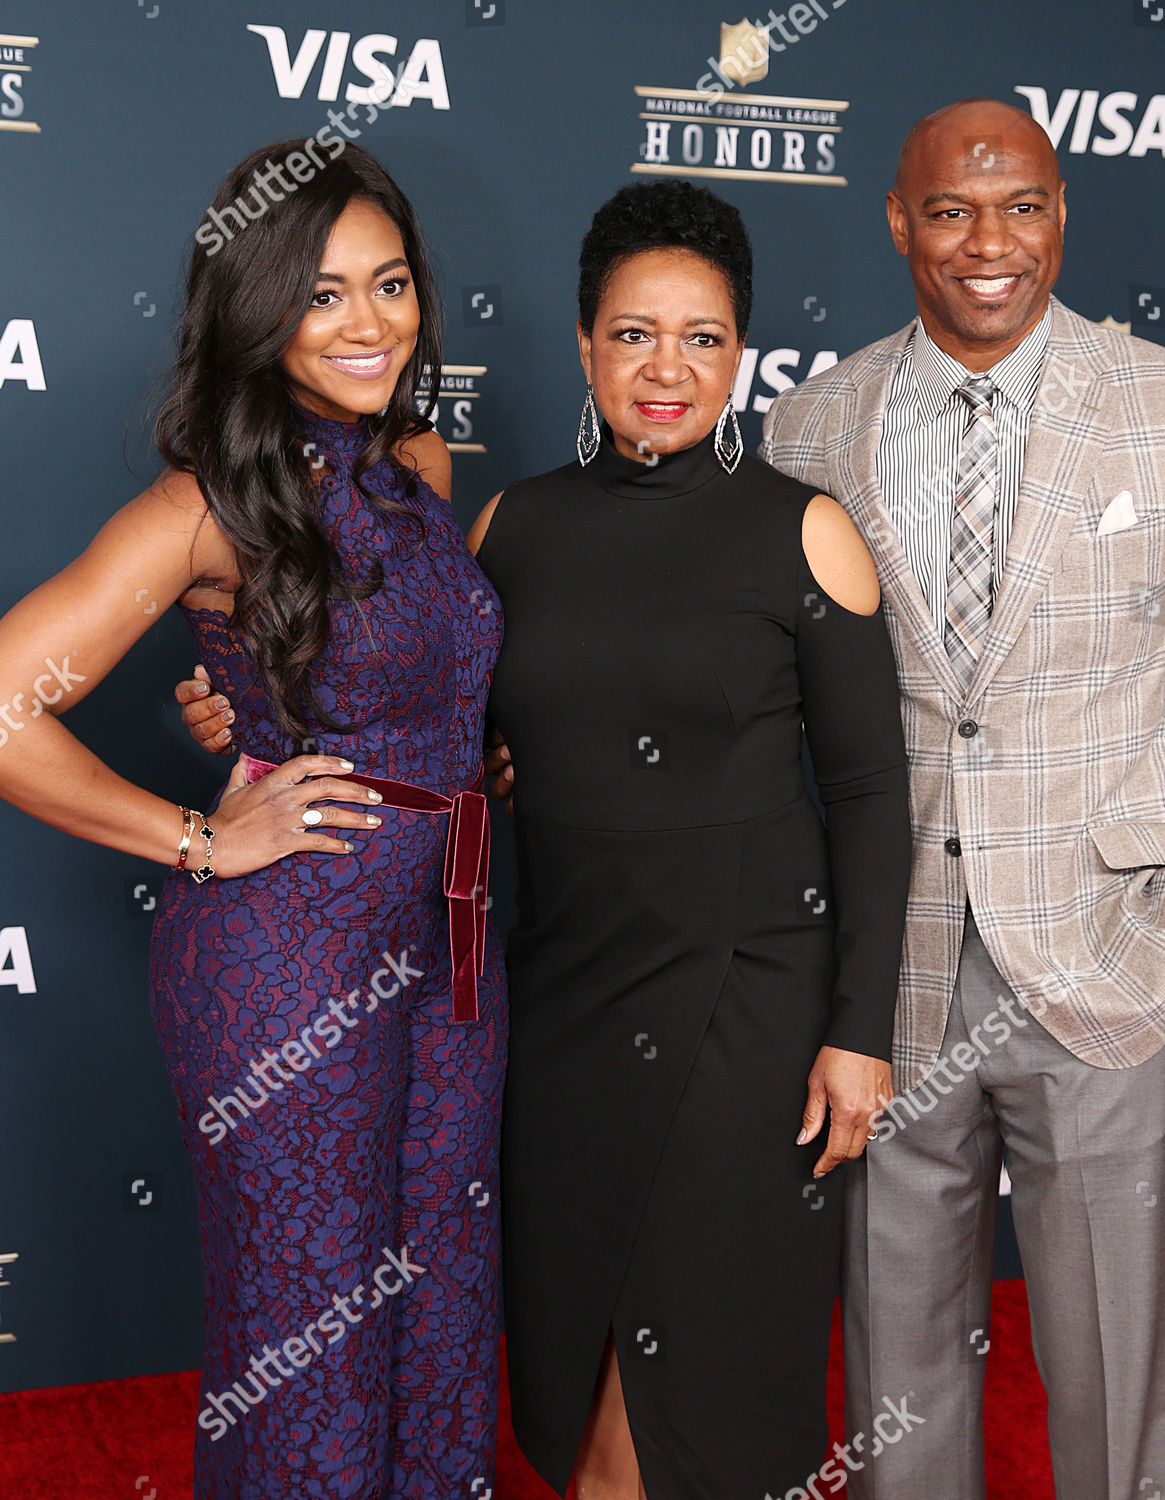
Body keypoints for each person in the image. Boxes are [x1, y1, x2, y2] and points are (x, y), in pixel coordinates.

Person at [182, 178, 913, 1500]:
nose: (666, 368)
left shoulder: (803, 531)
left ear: (739, 354)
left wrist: (860, 1033)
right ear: (584, 346)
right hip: (559, 993)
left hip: (744, 996)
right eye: (634, 333)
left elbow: (870, 794)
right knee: (580, 1337)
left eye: (701, 337)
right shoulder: (510, 525)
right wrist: (231, 709)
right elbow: (420, 699)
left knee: (712, 1341)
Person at [760, 98, 1165, 1500]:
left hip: (1109, 962)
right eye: (950, 209)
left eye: (1021, 206)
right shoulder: (813, 425)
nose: (988, 242)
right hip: (889, 977)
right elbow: (739, 690)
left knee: (1114, 1375)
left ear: (1063, 210)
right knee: (896, 1373)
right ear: (897, 222)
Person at [0, 139, 508, 1496]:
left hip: (451, 952)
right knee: (311, 1335)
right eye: (322, 293)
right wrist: (206, 837)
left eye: (389, 284)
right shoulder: (202, 507)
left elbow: (408, 689)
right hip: (288, 966)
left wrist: (468, 768)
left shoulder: (425, 462)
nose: (367, 323)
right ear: (258, 310)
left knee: (441, 1305)